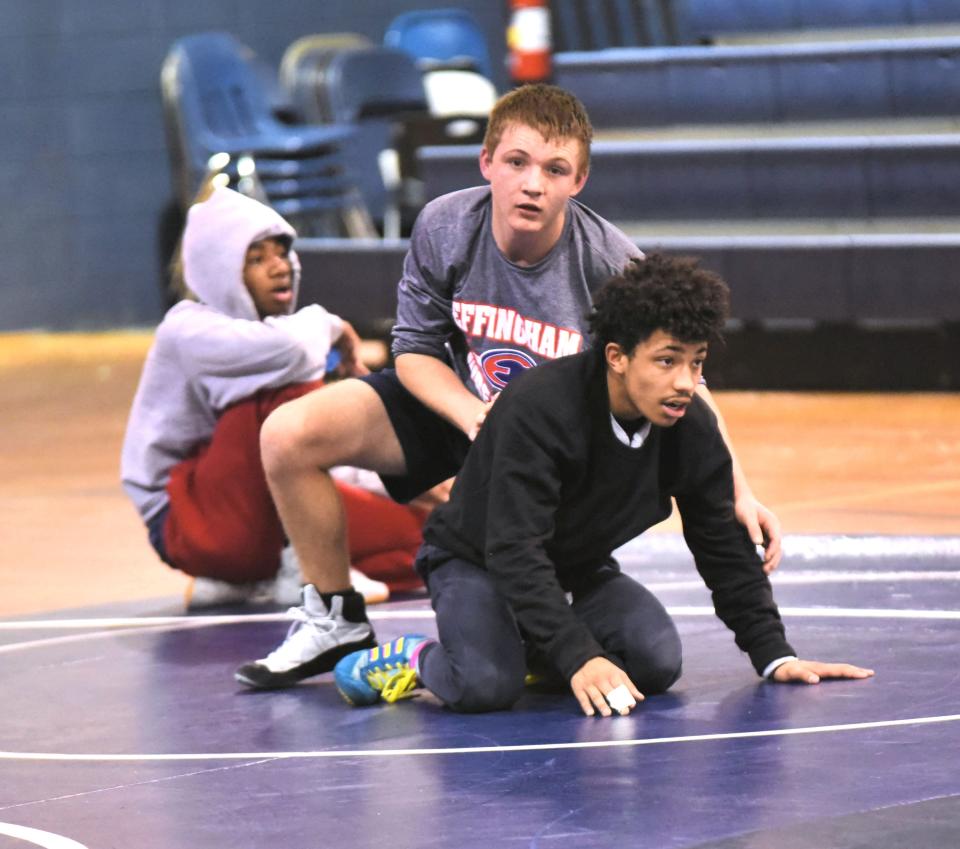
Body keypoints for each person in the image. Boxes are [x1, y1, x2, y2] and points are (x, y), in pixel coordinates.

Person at [235, 84, 781, 689]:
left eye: (555, 170)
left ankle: (540, 631)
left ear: (579, 180)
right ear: (487, 162)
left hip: (549, 441)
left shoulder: (610, 263)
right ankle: (333, 616)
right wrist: (472, 417)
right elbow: (414, 351)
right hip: (455, 406)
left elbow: (683, 382)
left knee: (630, 649)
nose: (532, 184)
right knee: (288, 434)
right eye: (517, 163)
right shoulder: (447, 224)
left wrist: (740, 488)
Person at [332, 254, 875, 714]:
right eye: (667, 361)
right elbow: (513, 549)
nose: (685, 383)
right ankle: (414, 657)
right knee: (484, 684)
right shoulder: (540, 409)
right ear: (616, 356)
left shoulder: (690, 427)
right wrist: (578, 654)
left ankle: (527, 646)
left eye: (696, 362)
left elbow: (720, 544)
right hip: (477, 558)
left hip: (574, 566)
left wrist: (774, 654)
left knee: (655, 661)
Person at [121, 186, 427, 609]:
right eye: (256, 259)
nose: (279, 268)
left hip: (252, 516)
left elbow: (322, 449)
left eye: (282, 253)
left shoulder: (278, 336)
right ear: (219, 268)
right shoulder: (186, 329)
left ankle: (253, 577)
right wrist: (332, 324)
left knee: (427, 535)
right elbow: (296, 354)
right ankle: (305, 570)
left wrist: (418, 482)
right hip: (185, 517)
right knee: (285, 391)